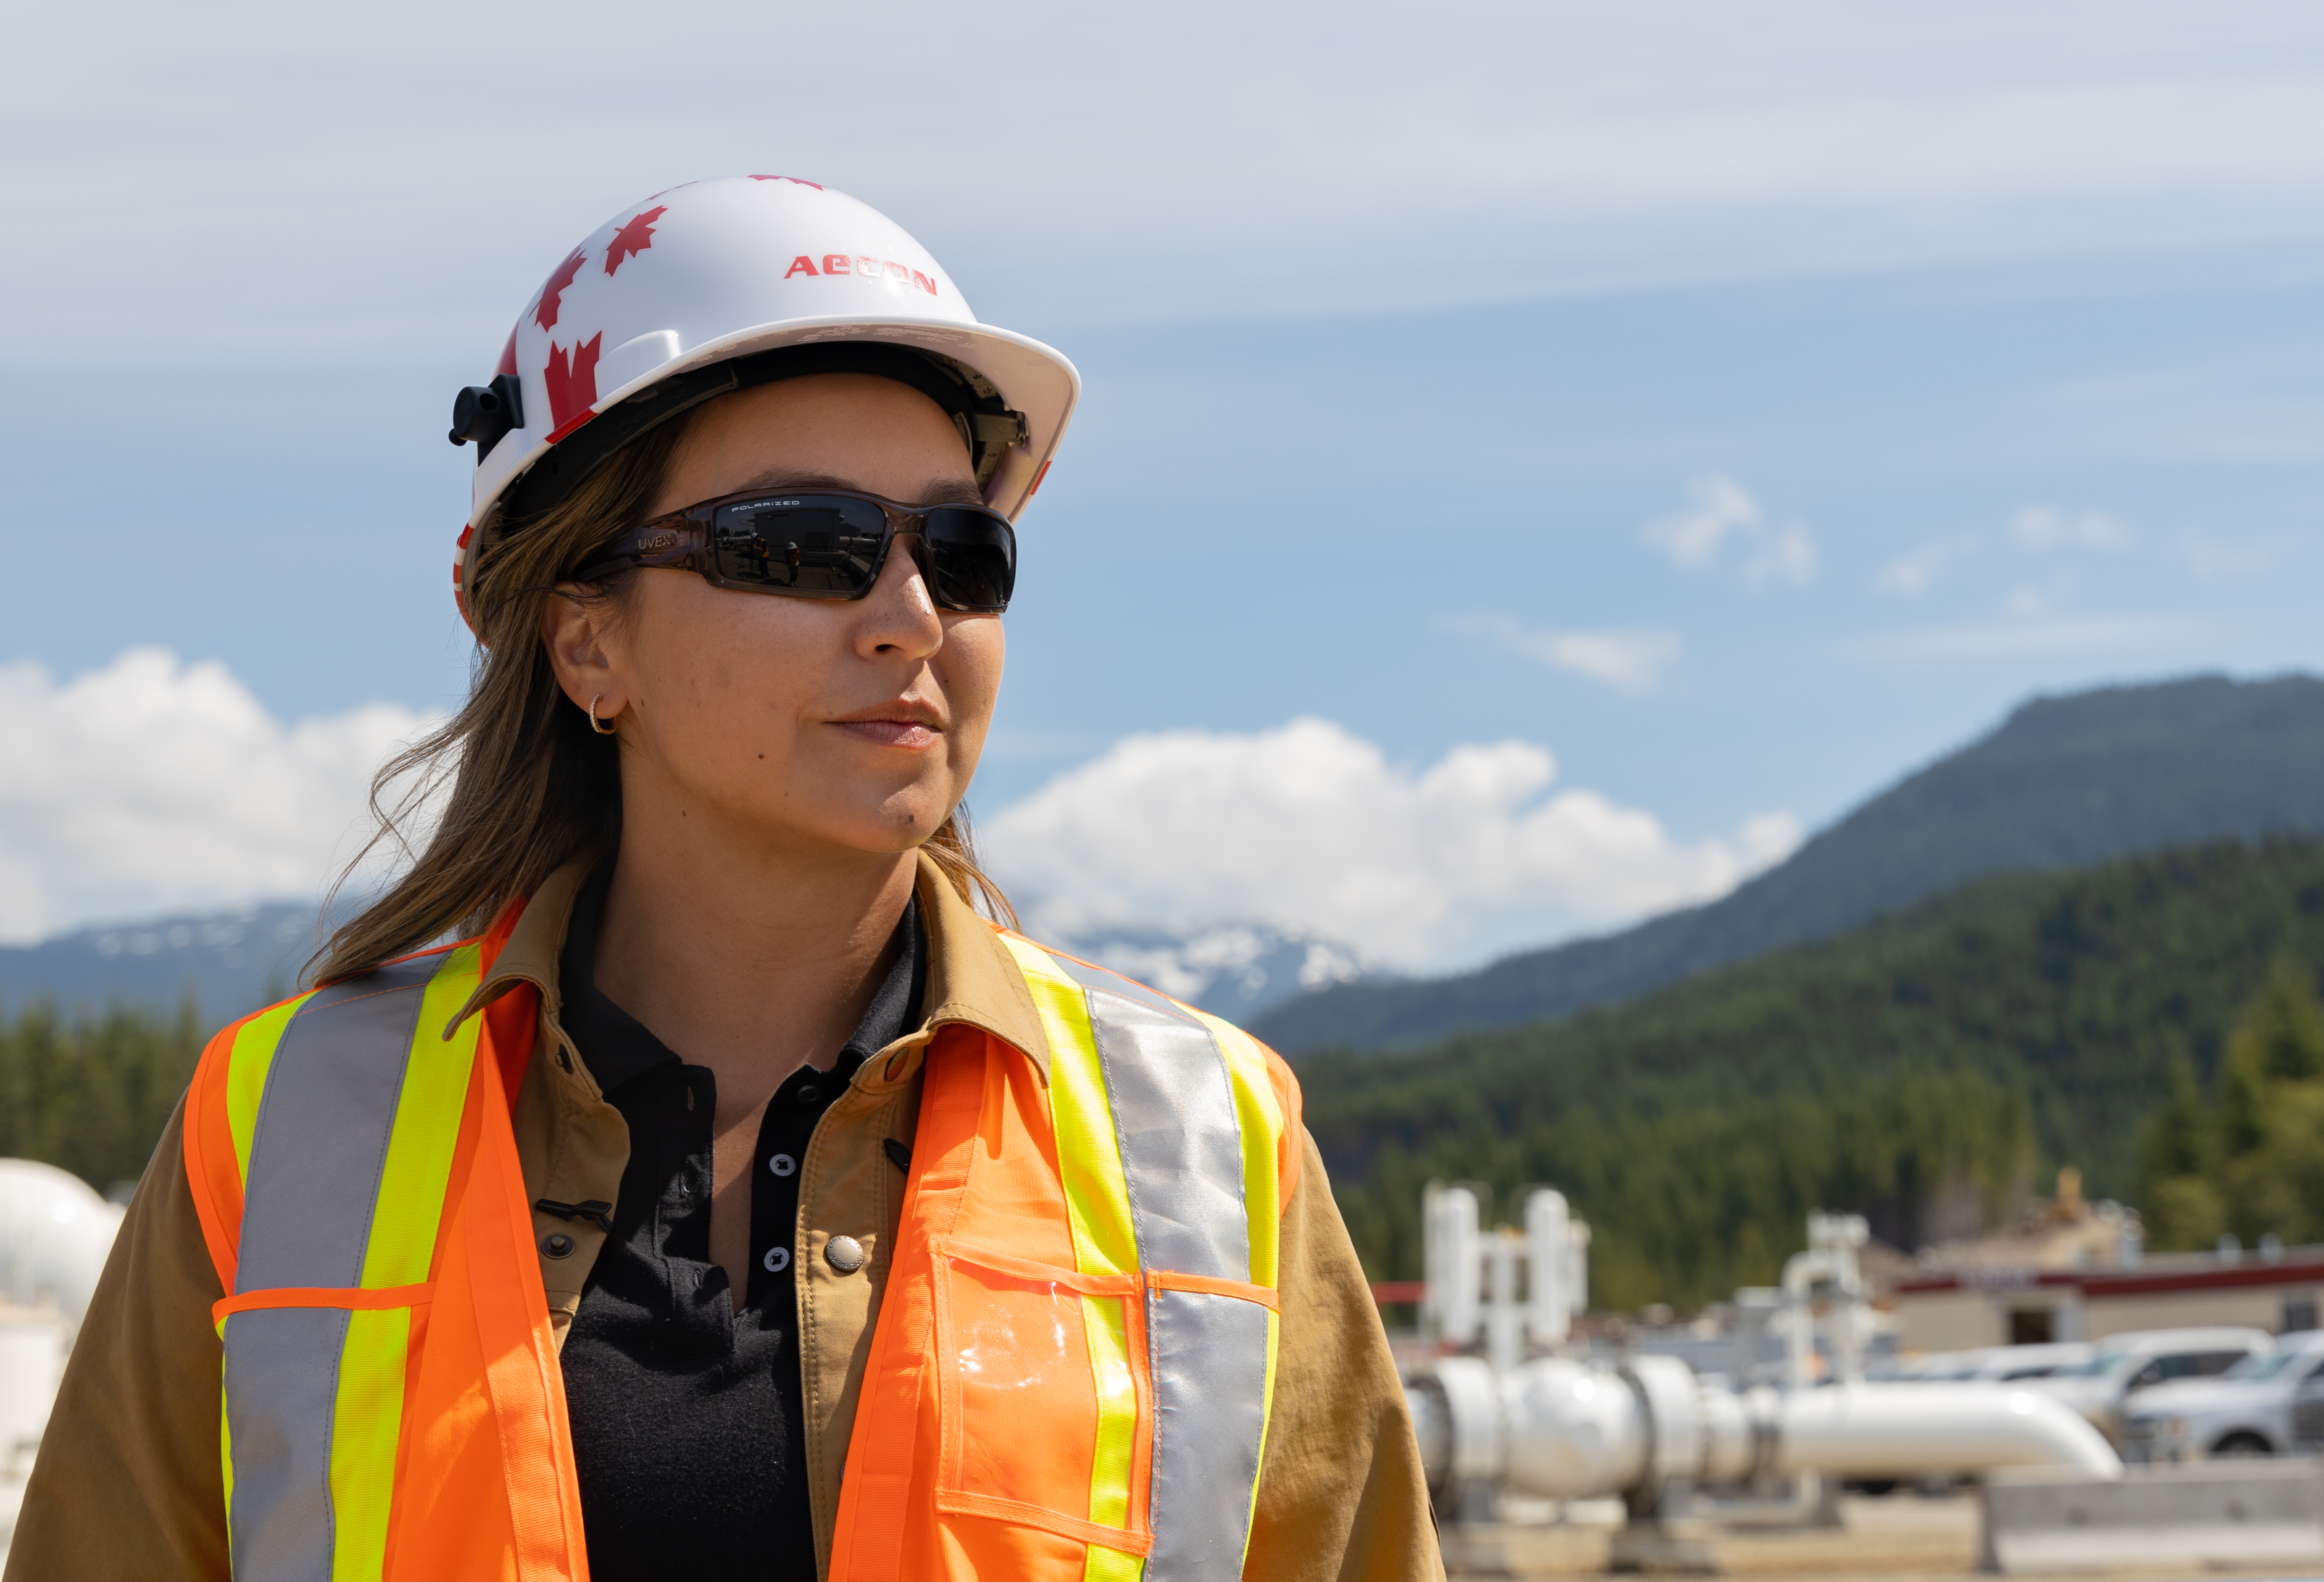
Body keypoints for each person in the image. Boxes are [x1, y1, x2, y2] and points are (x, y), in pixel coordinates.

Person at [9, 178, 1441, 1580]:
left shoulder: (1209, 1148)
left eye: (962, 549)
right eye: (802, 546)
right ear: (588, 646)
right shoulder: (282, 1137)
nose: (910, 617)